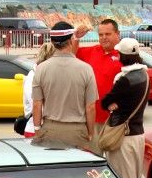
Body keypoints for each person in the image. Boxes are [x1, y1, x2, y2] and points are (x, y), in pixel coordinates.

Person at [30, 22, 98, 150]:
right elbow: (90, 107)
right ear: (71, 40)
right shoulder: (86, 69)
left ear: (52, 41)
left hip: (50, 130)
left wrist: (37, 130)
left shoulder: (41, 69)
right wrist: (90, 133)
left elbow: (37, 104)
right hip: (77, 131)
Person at [100, 38, 150, 178]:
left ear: (123, 55)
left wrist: (111, 104)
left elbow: (105, 102)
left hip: (123, 136)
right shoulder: (144, 74)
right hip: (138, 133)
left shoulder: (124, 79)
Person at [73, 18, 123, 125]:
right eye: (101, 35)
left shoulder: (125, 55)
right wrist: (76, 37)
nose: (104, 38)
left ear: (117, 34)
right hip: (91, 118)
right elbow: (71, 55)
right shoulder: (92, 51)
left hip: (113, 120)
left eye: (108, 34)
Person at [22, 42, 56, 137]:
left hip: (45, 128)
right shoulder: (33, 76)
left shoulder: (45, 74)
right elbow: (36, 104)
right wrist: (37, 129)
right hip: (36, 129)